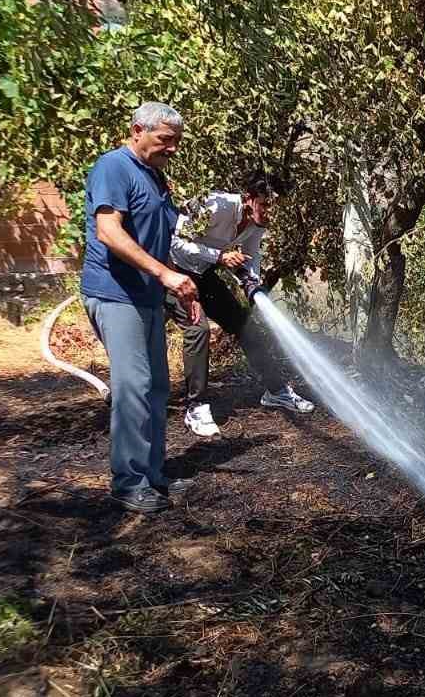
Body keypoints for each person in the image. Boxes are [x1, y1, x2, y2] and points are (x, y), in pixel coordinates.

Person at [80, 102, 202, 513]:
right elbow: (109, 232)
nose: (172, 148)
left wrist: (180, 286)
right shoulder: (114, 167)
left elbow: (155, 242)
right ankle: (128, 483)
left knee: (157, 387)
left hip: (148, 295)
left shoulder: (155, 177)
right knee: (133, 385)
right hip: (116, 293)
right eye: (165, 140)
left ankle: (153, 476)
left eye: (176, 142)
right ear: (137, 130)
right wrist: (165, 276)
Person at [167, 171, 314, 437]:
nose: (271, 212)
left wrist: (251, 281)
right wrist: (219, 256)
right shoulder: (214, 204)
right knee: (198, 330)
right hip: (172, 271)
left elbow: (251, 254)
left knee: (246, 326)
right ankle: (196, 406)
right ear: (248, 198)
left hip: (204, 273)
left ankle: (276, 391)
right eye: (266, 204)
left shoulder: (257, 223)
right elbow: (175, 243)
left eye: (276, 207)